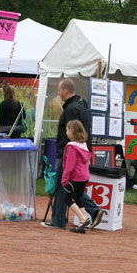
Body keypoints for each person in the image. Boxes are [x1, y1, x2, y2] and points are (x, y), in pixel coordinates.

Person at [42, 78, 104, 230]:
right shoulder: (80, 105)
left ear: (66, 91)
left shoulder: (71, 109)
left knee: (62, 186)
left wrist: (67, 152)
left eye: (59, 90)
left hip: (68, 153)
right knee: (72, 188)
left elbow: (72, 132)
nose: (58, 93)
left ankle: (58, 220)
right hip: (80, 152)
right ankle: (94, 211)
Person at [61, 120, 94, 233]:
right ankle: (81, 225)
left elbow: (69, 165)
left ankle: (83, 218)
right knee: (79, 198)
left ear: (72, 131)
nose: (66, 132)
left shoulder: (71, 147)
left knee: (67, 198)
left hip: (75, 177)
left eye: (67, 130)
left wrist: (64, 179)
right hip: (84, 176)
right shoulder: (83, 145)